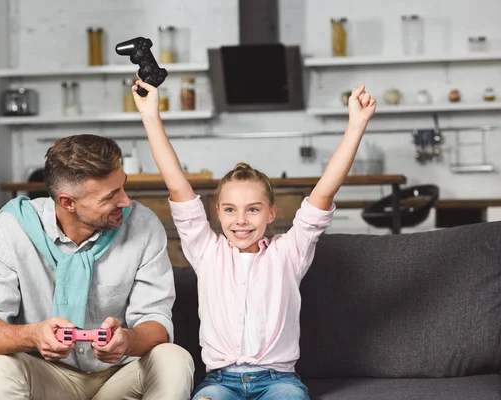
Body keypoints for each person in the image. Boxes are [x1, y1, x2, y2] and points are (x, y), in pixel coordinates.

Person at [132, 79, 376, 400]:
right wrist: (151, 115)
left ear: (271, 213)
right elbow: (177, 186)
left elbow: (324, 191)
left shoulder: (289, 252)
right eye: (230, 209)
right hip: (220, 382)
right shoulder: (206, 251)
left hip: (279, 382)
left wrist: (356, 125)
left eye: (253, 209)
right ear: (217, 212)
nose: (241, 220)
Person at [0, 134, 194, 400]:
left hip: (118, 377)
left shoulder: (142, 225)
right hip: (47, 377)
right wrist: (34, 335)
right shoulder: (12, 229)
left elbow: (157, 324)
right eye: (110, 196)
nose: (126, 201)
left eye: (123, 187)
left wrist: (127, 340)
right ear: (67, 202)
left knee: (174, 359)